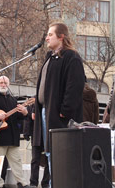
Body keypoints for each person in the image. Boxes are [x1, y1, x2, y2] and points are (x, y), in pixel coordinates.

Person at [33, 22, 85, 184]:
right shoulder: (50, 57)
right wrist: (37, 107)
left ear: (61, 37)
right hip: (45, 112)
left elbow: (75, 86)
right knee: (50, 153)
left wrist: (65, 111)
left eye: (50, 34)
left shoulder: (71, 57)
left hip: (59, 116)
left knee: (60, 155)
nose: (47, 38)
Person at [24, 103, 50, 188]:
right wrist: (26, 133)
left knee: (48, 159)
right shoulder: (33, 104)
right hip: (36, 135)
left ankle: (45, 182)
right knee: (35, 159)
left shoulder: (49, 103)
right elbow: (28, 119)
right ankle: (33, 182)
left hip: (46, 136)